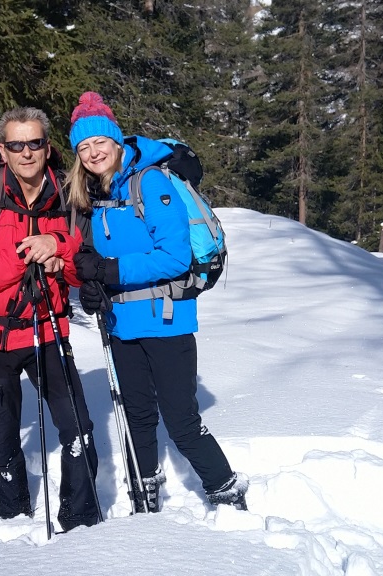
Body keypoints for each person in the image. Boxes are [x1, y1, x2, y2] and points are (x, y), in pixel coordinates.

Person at [65, 91, 249, 512]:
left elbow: (174, 257)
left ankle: (226, 492)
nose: (93, 152)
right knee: (138, 416)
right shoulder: (96, 193)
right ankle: (144, 495)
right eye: (84, 146)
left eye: (100, 142)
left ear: (116, 141)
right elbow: (99, 259)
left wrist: (109, 270)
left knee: (181, 421)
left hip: (167, 320)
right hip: (122, 323)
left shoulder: (149, 181)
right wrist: (94, 287)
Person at [0, 107, 101, 532]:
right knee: (1, 434)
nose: (26, 153)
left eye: (34, 143)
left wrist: (58, 249)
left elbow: (84, 269)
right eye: (16, 145)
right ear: (2, 151)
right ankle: (13, 515)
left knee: (78, 427)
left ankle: (80, 519)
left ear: (47, 147)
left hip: (49, 329)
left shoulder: (70, 199)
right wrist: (26, 253)